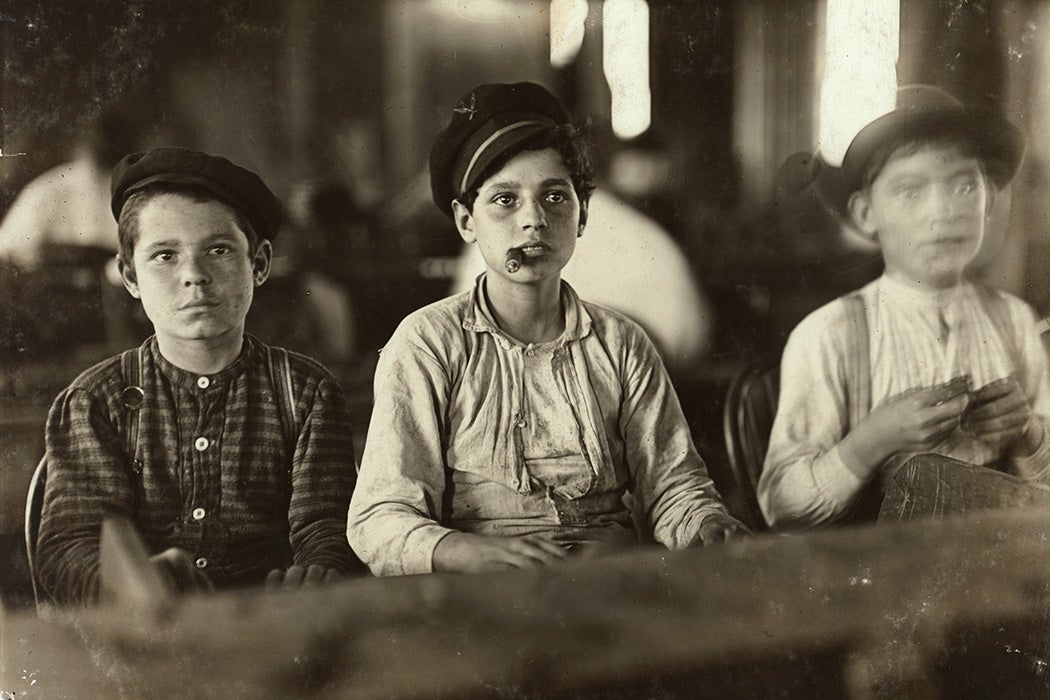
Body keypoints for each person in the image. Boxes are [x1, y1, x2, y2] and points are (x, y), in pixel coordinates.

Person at [347, 82, 747, 576]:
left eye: (555, 197)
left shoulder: (622, 344)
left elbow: (672, 489)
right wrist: (473, 552)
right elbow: (379, 518)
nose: (534, 220)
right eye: (504, 200)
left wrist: (707, 524)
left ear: (581, 217)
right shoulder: (427, 344)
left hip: (602, 581)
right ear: (466, 221)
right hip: (478, 596)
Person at [36, 148, 365, 605]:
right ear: (130, 276)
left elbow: (326, 526)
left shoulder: (305, 393)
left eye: (218, 250)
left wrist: (318, 573)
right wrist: (136, 582)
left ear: (260, 264)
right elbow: (71, 547)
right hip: (147, 641)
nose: (194, 275)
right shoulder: (96, 401)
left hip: (275, 631)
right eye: (164, 255)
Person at [758, 85, 1050, 529]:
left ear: (987, 200)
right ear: (864, 213)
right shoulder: (829, 333)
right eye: (911, 191)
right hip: (875, 577)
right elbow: (782, 505)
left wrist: (1027, 434)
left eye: (965, 186)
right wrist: (871, 443)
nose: (943, 211)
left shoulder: (1015, 320)